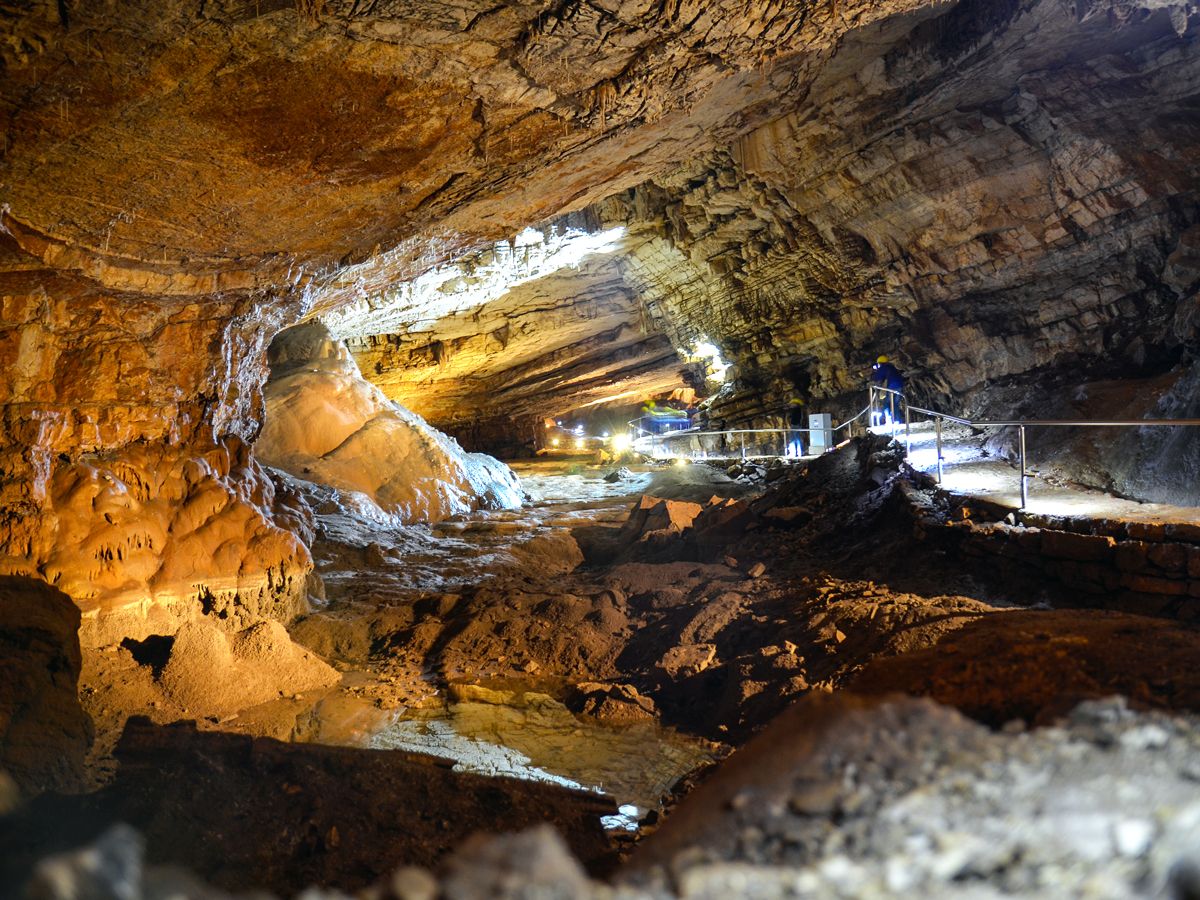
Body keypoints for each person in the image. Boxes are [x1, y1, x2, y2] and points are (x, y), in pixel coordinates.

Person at [870, 355, 905, 426]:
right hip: (900, 386)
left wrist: (874, 372)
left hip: (893, 387)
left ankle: (889, 420)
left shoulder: (884, 367)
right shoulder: (892, 367)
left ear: (880, 363)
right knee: (895, 404)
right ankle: (897, 420)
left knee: (886, 404)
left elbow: (877, 377)